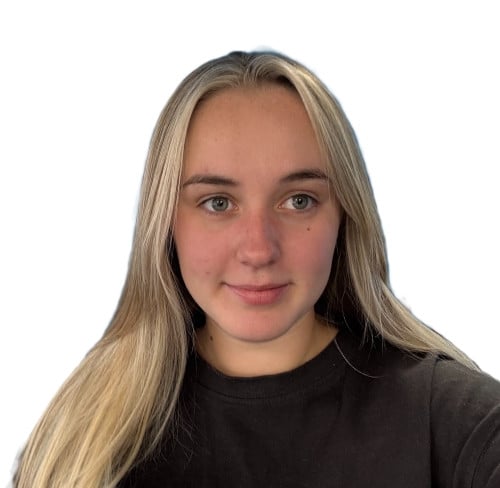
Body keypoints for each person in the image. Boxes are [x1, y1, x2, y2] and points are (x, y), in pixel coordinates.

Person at [14, 51, 500, 488]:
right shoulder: (78, 451)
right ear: (165, 223)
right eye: (218, 202)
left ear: (345, 215)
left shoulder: (463, 426)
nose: (258, 249)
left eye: (299, 200)